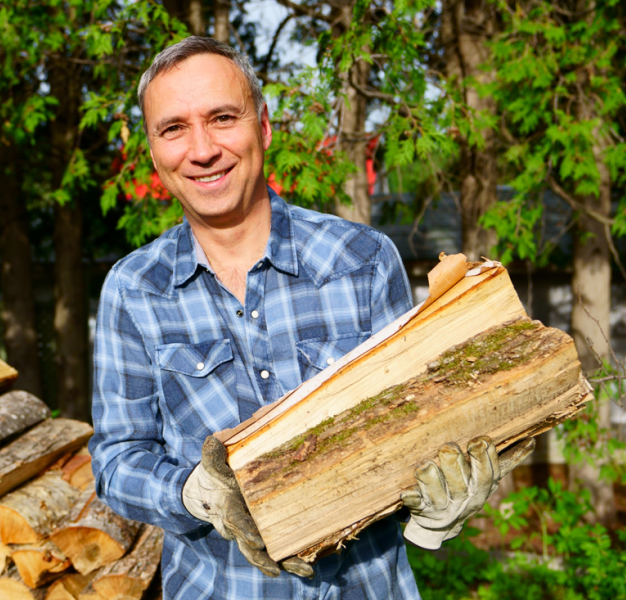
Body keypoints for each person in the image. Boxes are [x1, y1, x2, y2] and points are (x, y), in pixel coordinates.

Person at [88, 36, 532, 600]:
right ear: (154, 152)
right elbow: (117, 458)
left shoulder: (363, 261)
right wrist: (192, 492)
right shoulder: (134, 290)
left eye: (222, 118)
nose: (201, 149)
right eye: (173, 128)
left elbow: (421, 423)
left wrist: (436, 506)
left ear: (264, 127)